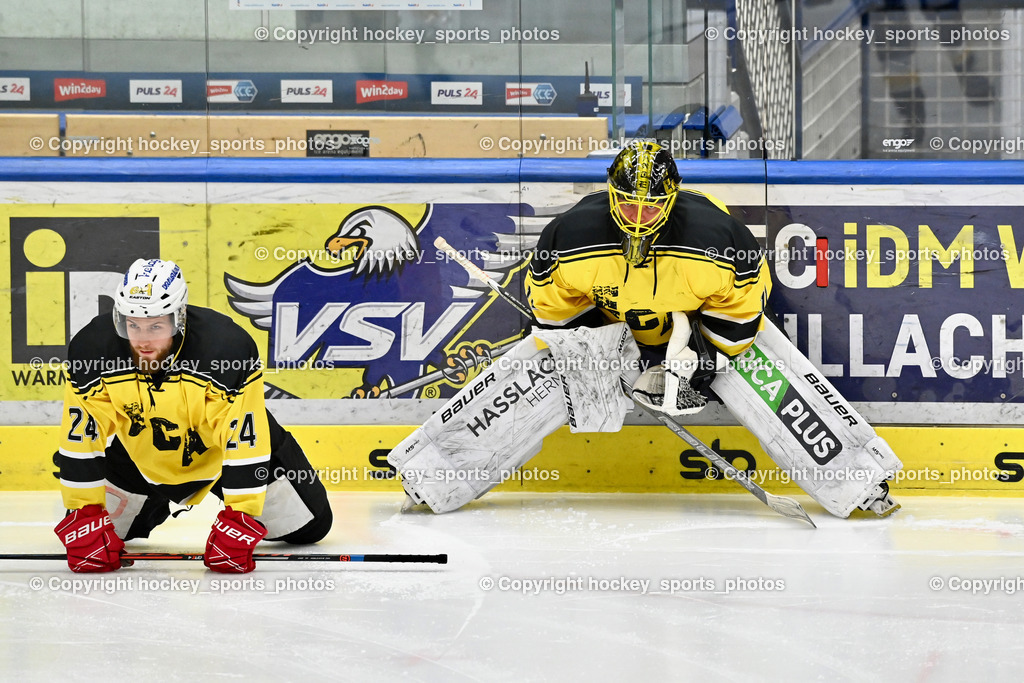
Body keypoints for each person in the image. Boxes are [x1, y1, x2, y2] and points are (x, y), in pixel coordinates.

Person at [53, 258, 332, 573]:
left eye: (156, 326)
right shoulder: (93, 350)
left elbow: (244, 438)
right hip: (143, 454)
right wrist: (84, 511)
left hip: (221, 453)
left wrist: (240, 517)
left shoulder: (226, 348)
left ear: (178, 318)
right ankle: (151, 499)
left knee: (310, 528)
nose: (143, 341)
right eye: (133, 325)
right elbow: (81, 436)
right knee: (100, 532)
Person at [525, 138, 772, 408]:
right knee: (555, 351)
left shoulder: (718, 240)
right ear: (612, 194)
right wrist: (595, 356)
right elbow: (553, 306)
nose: (638, 218)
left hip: (692, 337)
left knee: (721, 365)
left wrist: (702, 361)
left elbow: (742, 305)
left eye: (651, 207)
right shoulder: (569, 237)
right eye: (628, 204)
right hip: (611, 334)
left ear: (671, 201)